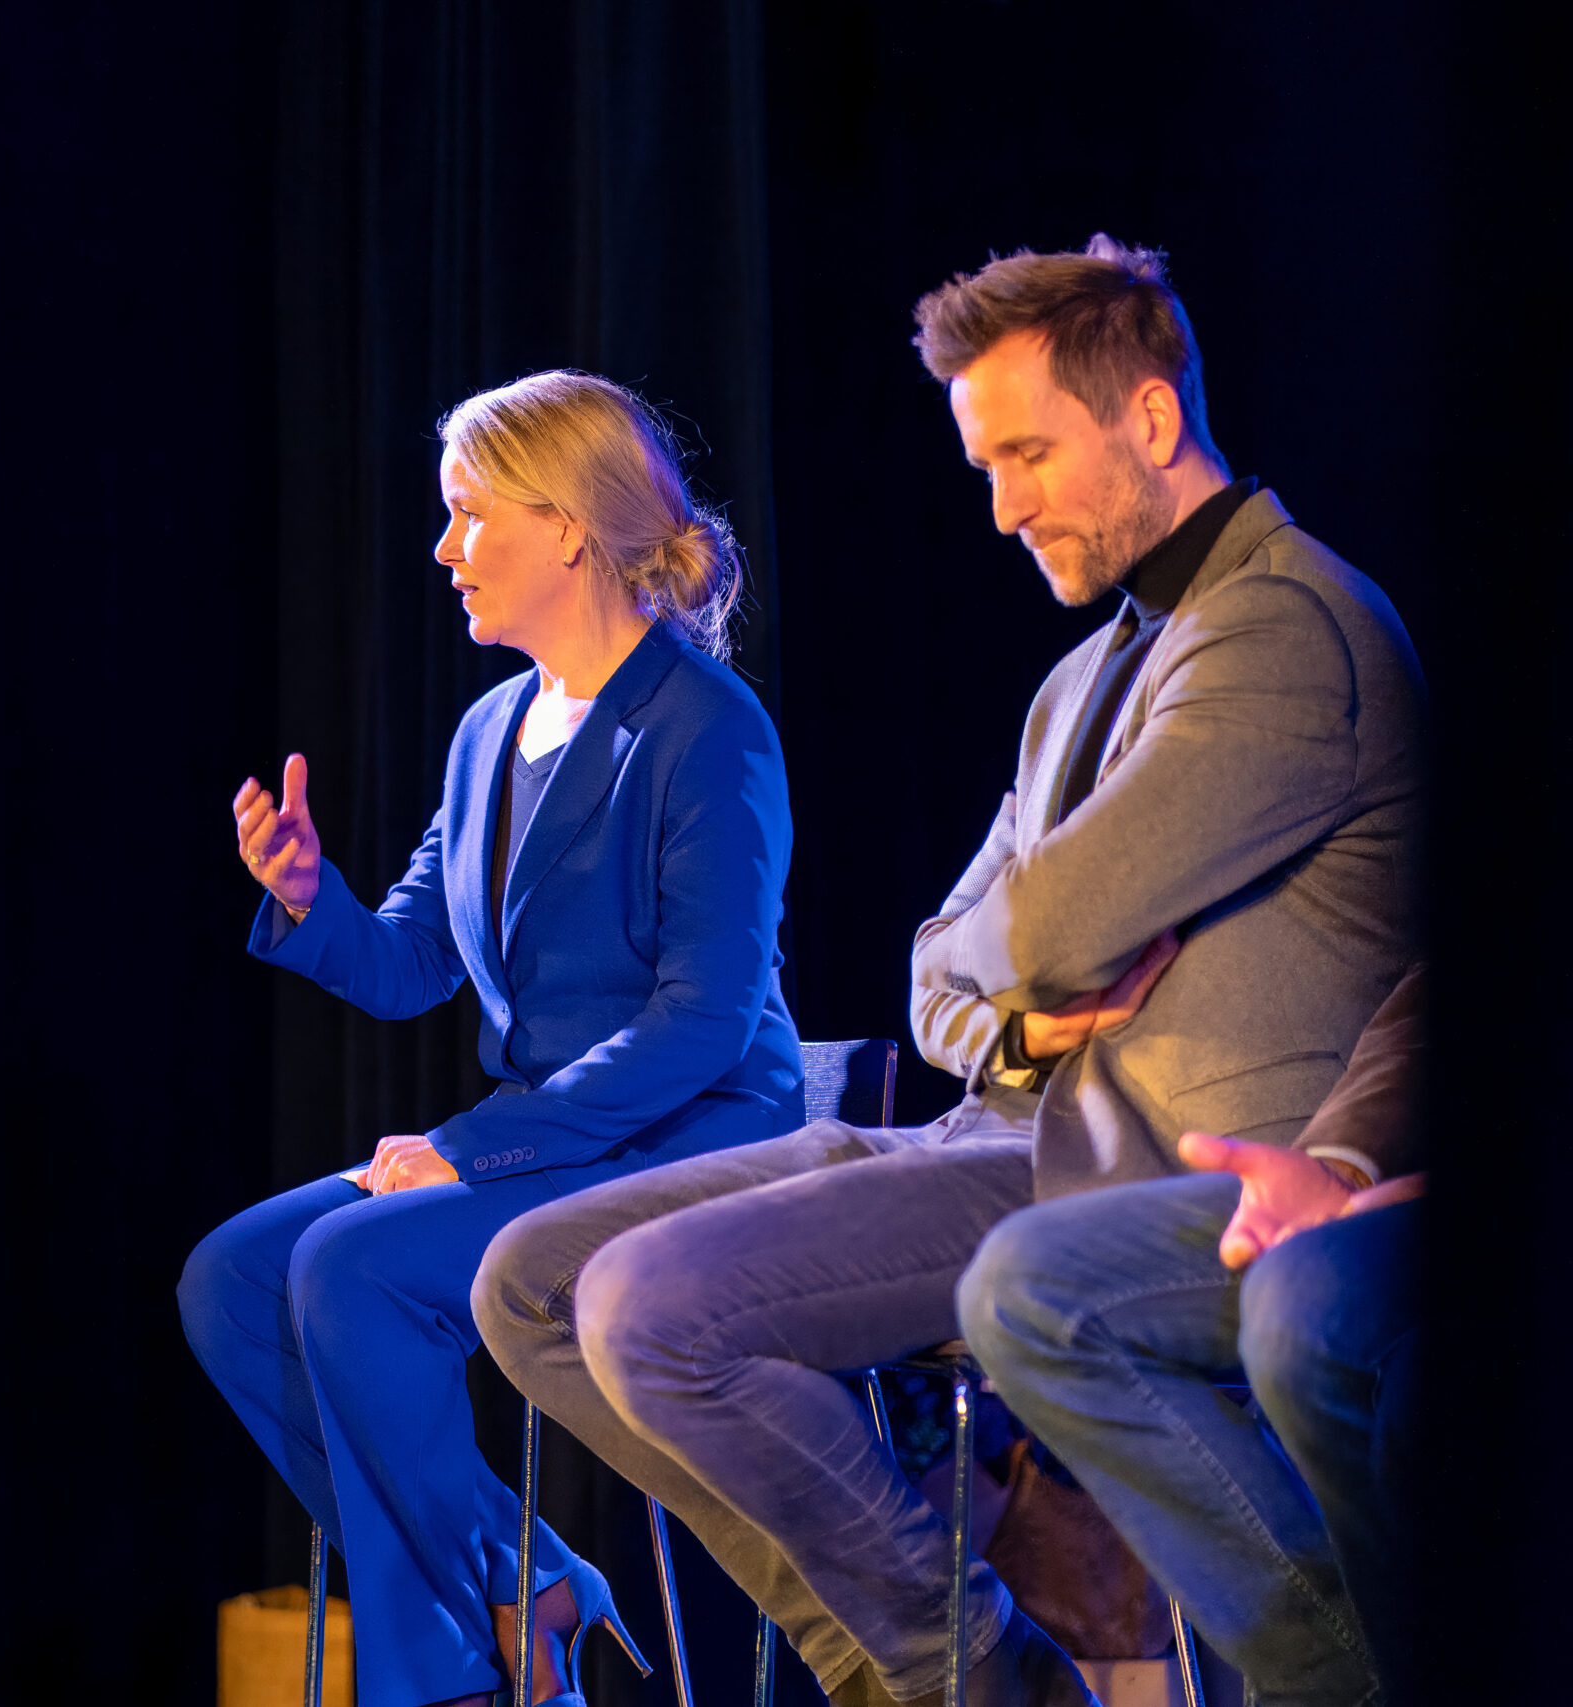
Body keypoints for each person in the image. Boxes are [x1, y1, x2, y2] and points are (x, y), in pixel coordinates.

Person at [473, 237, 1425, 1707]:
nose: (1003, 508)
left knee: (648, 1307)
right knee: (532, 1280)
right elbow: (943, 962)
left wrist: (1029, 953)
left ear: (1153, 421)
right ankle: (948, 1674)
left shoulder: (1284, 629)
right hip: (995, 1120)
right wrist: (1029, 1007)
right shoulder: (1079, 678)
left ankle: (967, 1682)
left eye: (1031, 455)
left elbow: (1038, 918)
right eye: (987, 466)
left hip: (1132, 1172)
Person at [178, 371, 803, 1707]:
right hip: (548, 1139)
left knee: (351, 1271)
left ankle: (449, 1677)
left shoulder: (706, 730)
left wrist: (468, 1147)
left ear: (569, 529)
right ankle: (525, 1578)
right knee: (233, 1279)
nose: (445, 548)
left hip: (695, 1132)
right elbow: (409, 962)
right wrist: (307, 896)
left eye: (470, 515)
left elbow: (702, 1021)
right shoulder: (488, 732)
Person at [966, 967, 1429, 1705]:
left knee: (1300, 1304)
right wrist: (1341, 1163)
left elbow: (1044, 939)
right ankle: (1334, 1673)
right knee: (1024, 1290)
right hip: (1038, 1127)